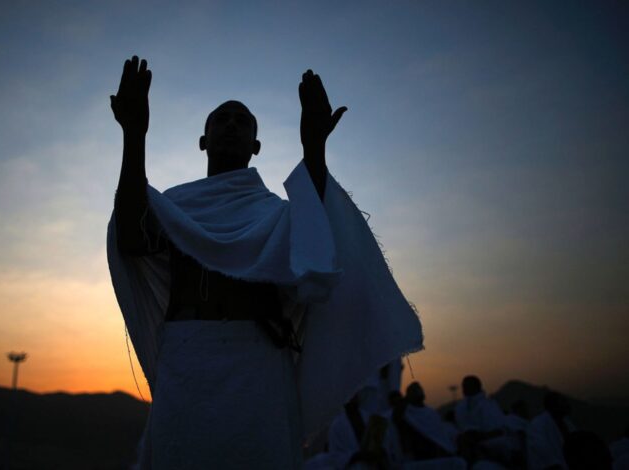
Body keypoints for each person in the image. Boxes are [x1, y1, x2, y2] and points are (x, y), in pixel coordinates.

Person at [107, 56, 423, 469]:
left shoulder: (276, 214)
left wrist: (314, 147)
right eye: (223, 119)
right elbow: (131, 240)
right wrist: (134, 136)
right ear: (203, 140)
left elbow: (318, 253)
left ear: (256, 147)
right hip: (188, 359)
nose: (233, 125)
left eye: (243, 121)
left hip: (258, 363)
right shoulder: (175, 207)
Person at [526, 391, 576, 470]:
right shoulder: (538, 424)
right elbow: (542, 451)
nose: (567, 405)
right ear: (554, 405)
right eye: (563, 402)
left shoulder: (567, 423)